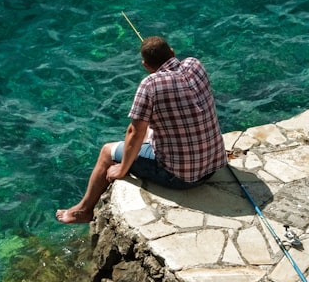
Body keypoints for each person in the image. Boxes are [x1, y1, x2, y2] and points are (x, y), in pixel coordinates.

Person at [56, 35, 227, 224]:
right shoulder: (195, 65)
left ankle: (84, 210)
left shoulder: (150, 84)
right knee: (150, 130)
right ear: (172, 52)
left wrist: (122, 169)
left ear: (145, 65)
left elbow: (134, 132)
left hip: (182, 178)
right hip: (213, 166)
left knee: (107, 151)